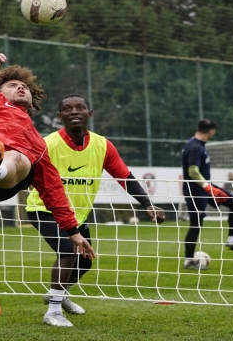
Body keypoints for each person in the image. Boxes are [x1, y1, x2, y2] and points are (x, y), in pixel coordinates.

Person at [0, 51, 95, 319]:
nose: (20, 87)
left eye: (25, 87)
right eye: (12, 85)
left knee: (16, 155)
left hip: (8, 173)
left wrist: (73, 230)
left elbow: (53, 189)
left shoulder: (37, 142)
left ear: (32, 101)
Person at [26, 95, 166, 327]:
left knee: (86, 262)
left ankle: (58, 295)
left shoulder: (102, 145)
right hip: (43, 209)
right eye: (67, 109)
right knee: (68, 250)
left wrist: (148, 204)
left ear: (89, 114)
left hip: (77, 215)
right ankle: (52, 312)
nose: (74, 112)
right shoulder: (48, 143)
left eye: (80, 107)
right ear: (60, 117)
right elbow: (27, 171)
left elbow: (125, 177)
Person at [181, 119, 233, 270]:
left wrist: (209, 188)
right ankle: (189, 260)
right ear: (211, 132)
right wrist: (207, 187)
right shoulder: (195, 147)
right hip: (195, 191)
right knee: (196, 224)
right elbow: (192, 171)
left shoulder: (197, 145)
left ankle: (232, 240)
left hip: (206, 189)